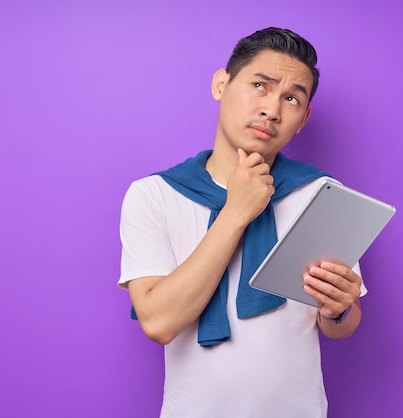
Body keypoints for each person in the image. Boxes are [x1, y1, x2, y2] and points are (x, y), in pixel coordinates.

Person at [118, 26, 365, 418]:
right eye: (260, 86)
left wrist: (339, 309)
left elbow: (340, 325)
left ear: (303, 119)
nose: (272, 109)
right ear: (221, 84)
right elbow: (160, 323)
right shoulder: (154, 195)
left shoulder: (322, 194)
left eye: (291, 98)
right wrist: (236, 212)